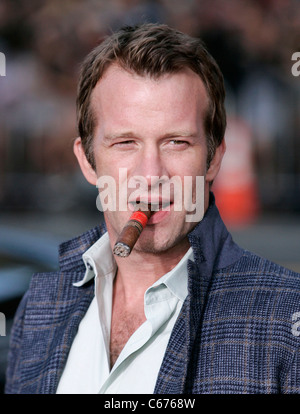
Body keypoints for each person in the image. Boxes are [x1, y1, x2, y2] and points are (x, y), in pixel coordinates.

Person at [5, 23, 300, 394]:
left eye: (176, 142)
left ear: (213, 159)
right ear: (87, 161)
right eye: (125, 143)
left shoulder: (286, 316)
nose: (151, 174)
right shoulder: (42, 302)